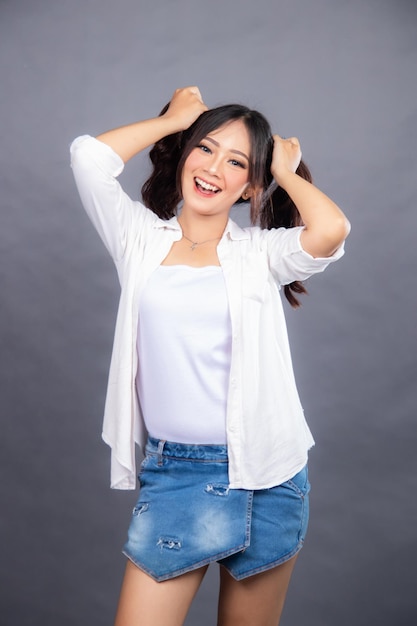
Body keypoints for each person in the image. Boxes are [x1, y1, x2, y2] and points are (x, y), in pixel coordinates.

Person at [70, 86, 350, 626]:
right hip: (177, 473)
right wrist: (174, 120)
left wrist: (286, 172)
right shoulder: (140, 241)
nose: (214, 168)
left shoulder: (262, 254)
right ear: (184, 153)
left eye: (237, 162)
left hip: (268, 474)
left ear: (249, 186)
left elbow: (331, 231)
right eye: (205, 148)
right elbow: (88, 157)